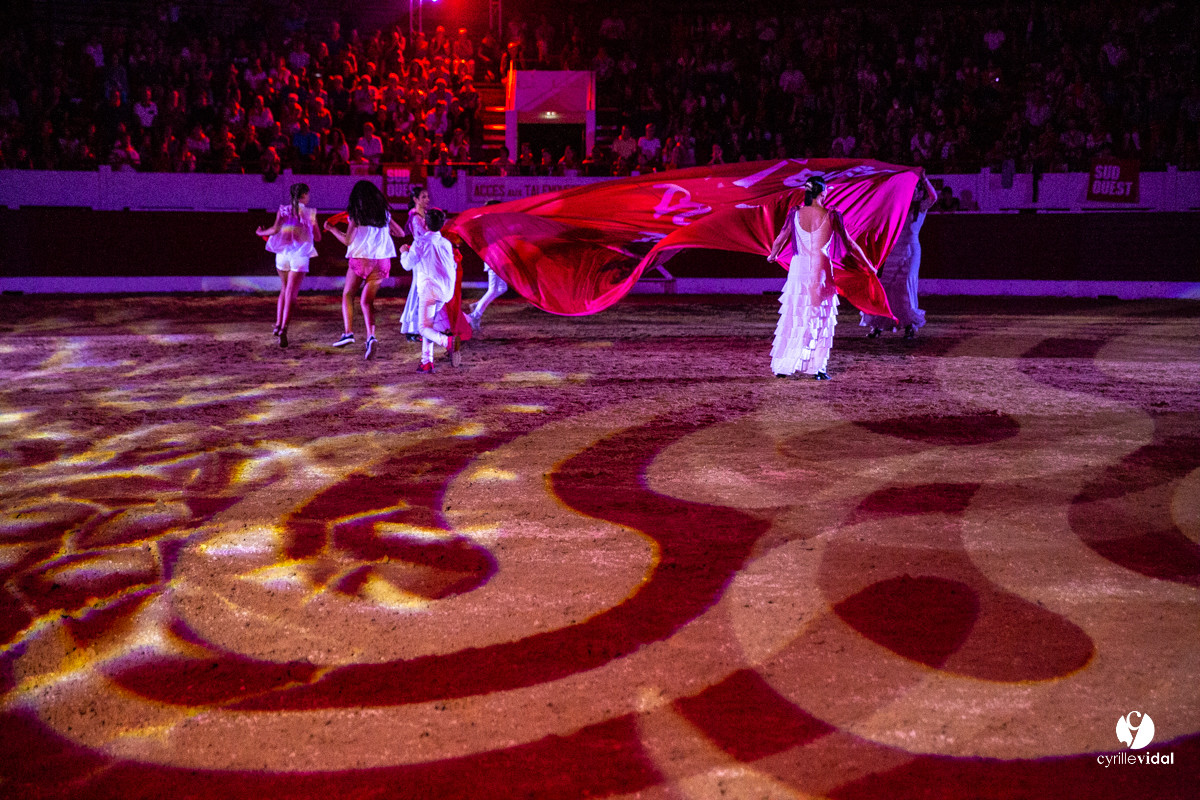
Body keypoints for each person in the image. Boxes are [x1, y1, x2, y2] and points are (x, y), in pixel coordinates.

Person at [766, 175, 875, 380]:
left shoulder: (795, 213)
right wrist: (868, 265)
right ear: (823, 192)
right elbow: (850, 245)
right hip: (821, 270)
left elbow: (780, 239)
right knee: (820, 318)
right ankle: (817, 368)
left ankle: (784, 365)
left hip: (798, 269)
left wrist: (772, 256)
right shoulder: (832, 215)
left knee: (794, 316)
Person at [323, 180, 404, 359]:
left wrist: (332, 228)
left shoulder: (356, 215)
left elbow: (347, 240)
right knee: (367, 302)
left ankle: (348, 332)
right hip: (381, 262)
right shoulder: (384, 214)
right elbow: (401, 233)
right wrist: (386, 232)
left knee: (348, 294)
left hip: (361, 259)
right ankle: (371, 336)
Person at [861, 180, 934, 339]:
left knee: (905, 287)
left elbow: (933, 197)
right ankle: (878, 324)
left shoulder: (919, 207)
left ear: (920, 192)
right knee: (886, 286)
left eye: (916, 189)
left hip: (911, 249)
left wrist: (925, 179)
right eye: (911, 189)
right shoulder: (897, 206)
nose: (913, 192)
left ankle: (909, 326)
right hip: (894, 249)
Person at [256, 182, 320, 348]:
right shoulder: (310, 213)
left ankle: (278, 325)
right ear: (304, 195)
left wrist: (260, 233)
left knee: (284, 289)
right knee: (291, 293)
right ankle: (284, 328)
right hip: (299, 256)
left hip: (283, 255)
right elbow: (318, 237)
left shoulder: (283, 210)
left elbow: (274, 230)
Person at [399, 207, 459, 373]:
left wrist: (404, 252)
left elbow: (406, 265)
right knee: (428, 324)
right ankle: (427, 362)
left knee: (423, 328)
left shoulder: (421, 242)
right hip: (446, 291)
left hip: (430, 291)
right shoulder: (446, 243)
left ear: (425, 223)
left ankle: (447, 342)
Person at [399, 185, 431, 341]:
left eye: (427, 196)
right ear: (415, 199)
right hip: (420, 256)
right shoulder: (416, 217)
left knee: (419, 291)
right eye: (423, 197)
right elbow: (423, 237)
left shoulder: (421, 215)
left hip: (423, 255)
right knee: (419, 291)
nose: (427, 200)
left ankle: (413, 328)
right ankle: (413, 329)